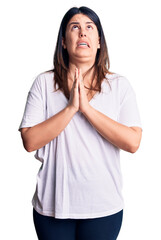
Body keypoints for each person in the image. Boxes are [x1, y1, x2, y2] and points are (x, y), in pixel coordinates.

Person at [18, 6, 142, 240]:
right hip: (52, 208)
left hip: (104, 208)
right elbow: (30, 141)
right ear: (64, 42)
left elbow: (133, 142)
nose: (82, 33)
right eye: (74, 27)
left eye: (89, 27)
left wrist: (86, 108)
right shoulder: (44, 83)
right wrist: (71, 108)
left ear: (98, 42)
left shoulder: (119, 85)